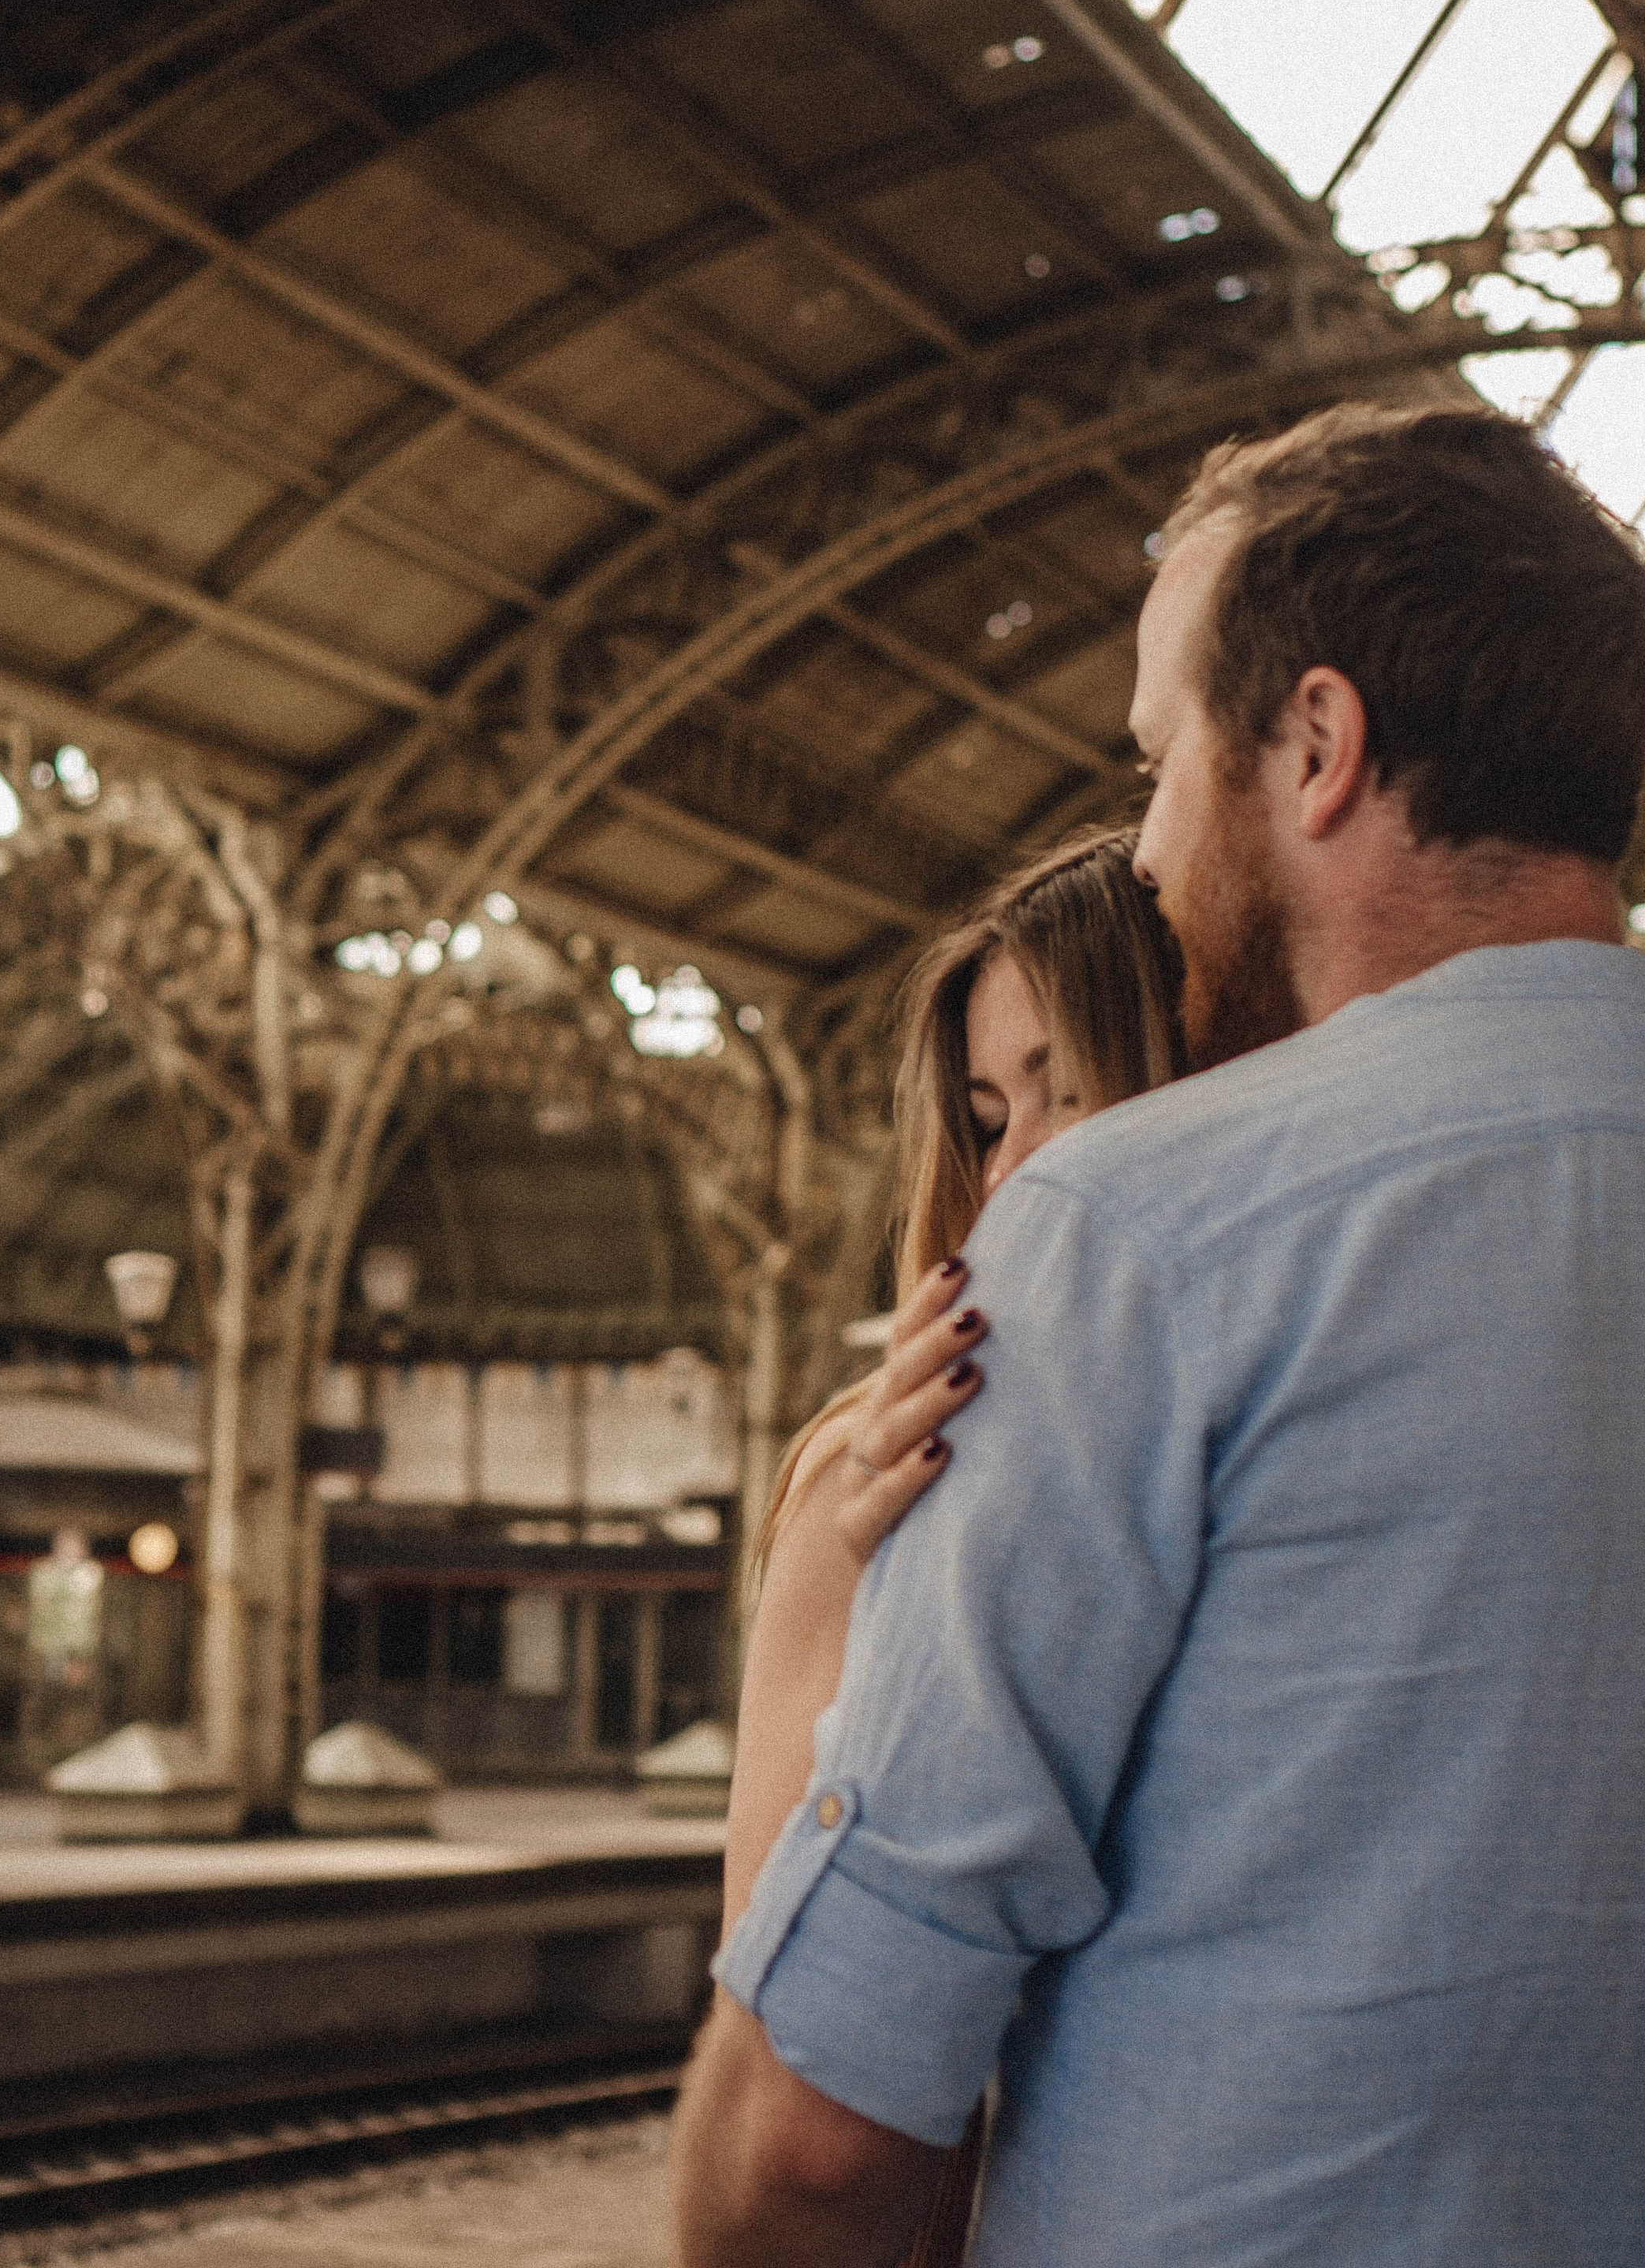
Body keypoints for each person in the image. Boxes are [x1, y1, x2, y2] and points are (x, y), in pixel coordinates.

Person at [674, 402, 1645, 2267]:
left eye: (1164, 755)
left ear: (1316, 747)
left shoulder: (1131, 1239)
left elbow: (817, 2152)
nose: (1151, 841)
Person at [720, 831, 1186, 2266]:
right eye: (990, 1116)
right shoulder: (887, 1461)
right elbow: (800, 2055)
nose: (1023, 1162)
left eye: (1072, 1085)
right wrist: (848, 1583)